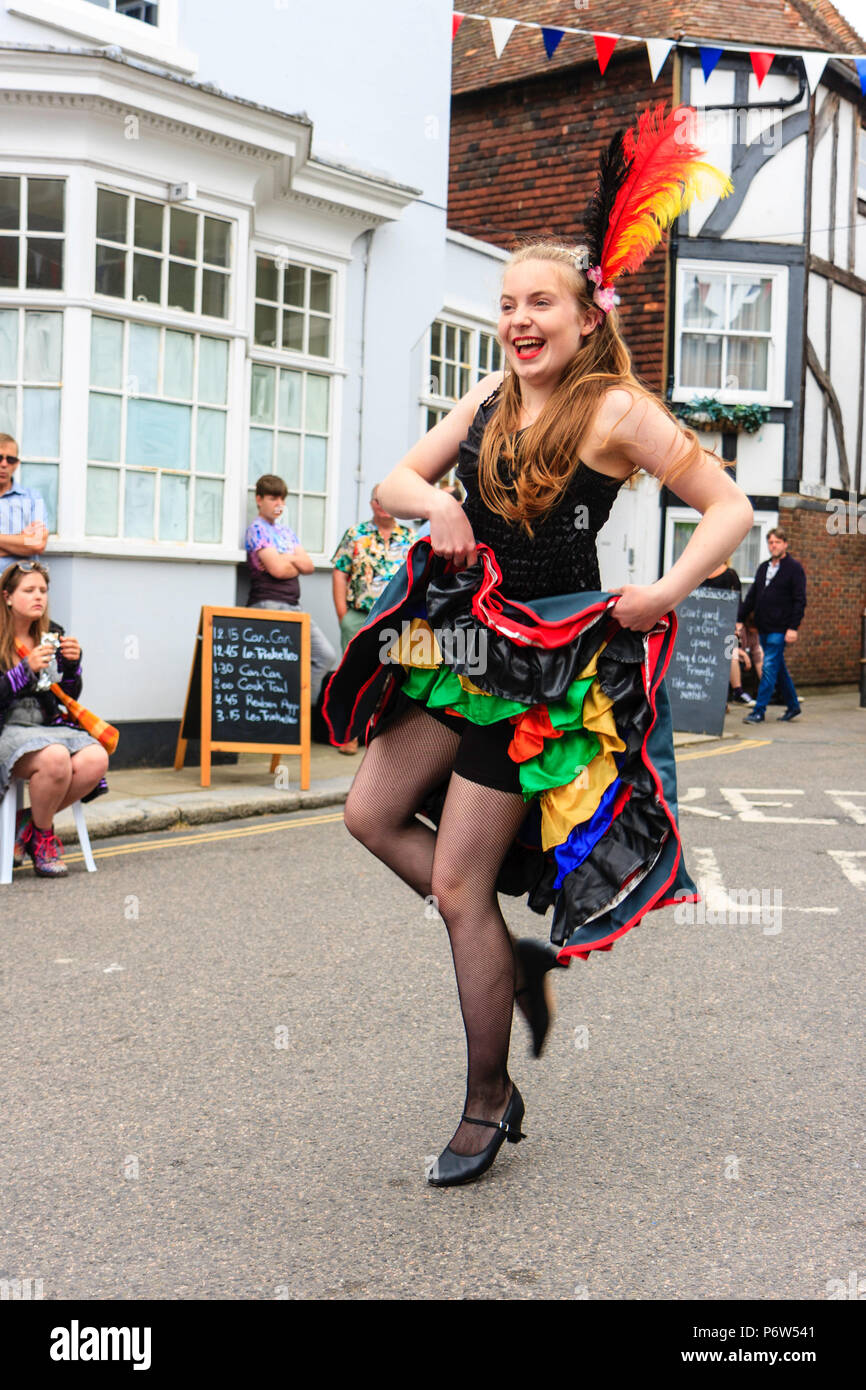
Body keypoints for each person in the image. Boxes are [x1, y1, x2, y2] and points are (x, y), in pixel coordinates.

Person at [324, 106, 751, 1188]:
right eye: (505, 305)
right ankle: (499, 947)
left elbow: (727, 506)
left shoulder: (611, 409)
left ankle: (486, 1098)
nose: (517, 321)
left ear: (581, 314)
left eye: (538, 304)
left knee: (459, 887)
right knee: (368, 813)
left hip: (543, 671)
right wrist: (437, 505)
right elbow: (391, 483)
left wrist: (660, 589)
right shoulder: (487, 396)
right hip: (461, 645)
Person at [0, 561, 109, 876]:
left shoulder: (53, 633)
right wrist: (24, 670)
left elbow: (68, 696)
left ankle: (27, 825)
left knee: (95, 758)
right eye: (29, 590)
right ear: (7, 596)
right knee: (56, 757)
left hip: (46, 727)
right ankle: (43, 838)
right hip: (7, 729)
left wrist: (73, 666)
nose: (39, 597)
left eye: (43, 590)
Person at [330, 486, 415, 753]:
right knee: (354, 675)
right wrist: (343, 614)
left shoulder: (410, 537)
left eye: (387, 498)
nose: (382, 504)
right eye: (378, 499)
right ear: (371, 503)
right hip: (358, 616)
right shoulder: (356, 534)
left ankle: (380, 737)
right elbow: (340, 572)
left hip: (395, 618)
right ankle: (349, 736)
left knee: (390, 676)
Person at [244, 474, 336, 705]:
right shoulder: (256, 530)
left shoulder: (286, 532)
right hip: (268, 604)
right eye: (273, 498)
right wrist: (292, 560)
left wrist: (285, 558)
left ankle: (298, 711)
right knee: (275, 664)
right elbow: (277, 571)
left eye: (282, 500)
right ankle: (281, 716)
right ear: (259, 499)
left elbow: (308, 566)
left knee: (324, 655)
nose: (279, 505)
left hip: (294, 606)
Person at [738, 528, 806, 724]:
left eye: (777, 542)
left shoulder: (794, 569)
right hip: (764, 627)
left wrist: (793, 627)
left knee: (768, 668)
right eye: (770, 542)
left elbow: (799, 600)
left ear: (785, 544)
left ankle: (759, 710)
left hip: (781, 628)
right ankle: (793, 706)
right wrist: (740, 617)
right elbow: (752, 596)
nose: (773, 546)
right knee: (778, 668)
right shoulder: (763, 567)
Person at [700, 559, 753, 705]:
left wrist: (737, 625)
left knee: (732, 654)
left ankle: (737, 691)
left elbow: (737, 602)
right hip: (700, 624)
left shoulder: (730, 575)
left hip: (725, 625)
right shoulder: (698, 573)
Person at [0, 433, 48, 561]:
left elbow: (37, 543)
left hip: (21, 578)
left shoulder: (32, 498)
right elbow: (30, 543)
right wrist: (19, 540)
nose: (4, 464)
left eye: (10, 460)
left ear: (16, 464)